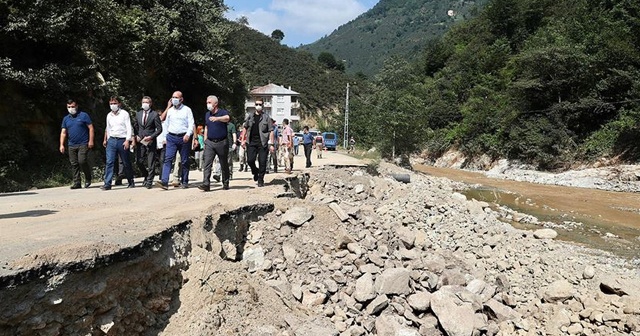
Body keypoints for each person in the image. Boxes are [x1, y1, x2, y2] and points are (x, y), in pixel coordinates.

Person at [157, 91, 195, 190]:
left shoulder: (187, 110)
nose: (174, 99)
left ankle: (184, 181)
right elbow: (166, 124)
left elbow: (191, 123)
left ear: (181, 99)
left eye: (176, 97)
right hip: (171, 137)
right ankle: (164, 181)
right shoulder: (170, 111)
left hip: (183, 138)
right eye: (173, 97)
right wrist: (165, 137)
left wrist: (188, 134)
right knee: (168, 158)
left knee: (184, 160)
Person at [60, 99, 94, 189]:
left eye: (73, 106)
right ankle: (77, 182)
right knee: (74, 164)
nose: (71, 108)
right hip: (71, 144)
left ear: (77, 106)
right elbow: (63, 132)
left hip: (83, 143)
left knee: (82, 161)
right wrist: (61, 145)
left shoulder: (83, 115)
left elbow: (91, 128)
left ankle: (88, 178)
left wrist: (91, 141)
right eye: (69, 107)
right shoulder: (66, 119)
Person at [102, 96, 134, 190]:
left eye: (115, 103)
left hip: (122, 139)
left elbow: (129, 127)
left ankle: (130, 180)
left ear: (119, 104)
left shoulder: (124, 114)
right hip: (112, 139)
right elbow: (108, 128)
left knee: (125, 162)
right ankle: (107, 183)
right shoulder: (109, 115)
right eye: (111, 104)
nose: (113, 105)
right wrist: (107, 140)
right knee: (109, 161)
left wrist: (128, 140)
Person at [199, 95, 230, 191]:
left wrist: (217, 119)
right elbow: (207, 127)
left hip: (221, 142)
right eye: (207, 102)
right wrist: (205, 140)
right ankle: (206, 184)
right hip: (209, 142)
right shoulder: (207, 114)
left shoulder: (222, 112)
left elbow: (227, 118)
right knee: (207, 163)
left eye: (209, 102)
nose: (207, 104)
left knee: (223, 163)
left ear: (215, 104)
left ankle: (225, 182)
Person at [243, 98, 275, 187]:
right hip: (251, 142)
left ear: (263, 106)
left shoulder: (267, 117)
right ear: (254, 105)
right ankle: (255, 171)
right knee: (250, 160)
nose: (258, 106)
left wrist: (271, 144)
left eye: (260, 104)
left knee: (262, 162)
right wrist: (242, 140)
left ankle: (261, 179)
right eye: (257, 104)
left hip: (263, 143)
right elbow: (245, 128)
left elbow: (271, 131)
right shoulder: (250, 116)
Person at [133, 96, 163, 189]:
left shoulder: (154, 114)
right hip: (140, 140)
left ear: (150, 104)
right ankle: (145, 174)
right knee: (139, 161)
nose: (145, 104)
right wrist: (137, 135)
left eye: (147, 102)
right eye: (143, 102)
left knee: (151, 161)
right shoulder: (138, 114)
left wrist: (151, 137)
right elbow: (135, 126)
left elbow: (159, 129)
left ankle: (149, 180)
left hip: (150, 140)